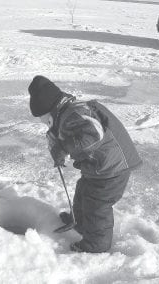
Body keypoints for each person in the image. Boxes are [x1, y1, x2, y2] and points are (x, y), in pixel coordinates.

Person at [28, 75, 142, 253]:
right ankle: (81, 223)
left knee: (97, 204)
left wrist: (64, 147)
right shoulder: (65, 113)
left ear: (50, 108)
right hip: (98, 166)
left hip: (112, 168)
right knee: (83, 192)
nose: (43, 121)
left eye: (43, 117)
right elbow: (64, 134)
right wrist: (57, 145)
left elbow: (93, 136)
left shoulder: (75, 114)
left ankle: (97, 244)